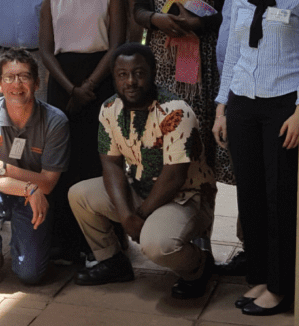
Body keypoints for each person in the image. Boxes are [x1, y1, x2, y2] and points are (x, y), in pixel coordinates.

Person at [68, 44, 216, 299]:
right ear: (114, 78)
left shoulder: (176, 110)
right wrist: (127, 216)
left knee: (156, 244)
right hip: (139, 187)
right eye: (122, 75)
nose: (131, 82)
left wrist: (140, 216)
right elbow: (111, 164)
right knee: (79, 194)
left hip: (185, 196)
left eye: (139, 73)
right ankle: (112, 261)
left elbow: (174, 176)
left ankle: (198, 266)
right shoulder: (109, 109)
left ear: (153, 72)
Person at [213, 0, 299, 317]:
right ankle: (261, 277)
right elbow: (233, 53)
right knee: (248, 194)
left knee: (279, 195)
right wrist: (221, 107)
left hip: (282, 105)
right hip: (242, 103)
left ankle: (282, 286)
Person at [133, 0, 229, 209]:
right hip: (161, 64)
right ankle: (161, 214)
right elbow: (140, 9)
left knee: (198, 145)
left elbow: (230, 10)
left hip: (203, 66)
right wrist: (157, 19)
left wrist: (200, 24)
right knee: (163, 139)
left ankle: (200, 226)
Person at [39, 0, 125, 263]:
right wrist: (72, 89)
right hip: (62, 81)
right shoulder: (52, 0)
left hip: (101, 79)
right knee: (63, 158)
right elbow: (46, 51)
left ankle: (100, 240)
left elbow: (116, 46)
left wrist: (88, 86)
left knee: (96, 156)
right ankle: (64, 240)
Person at [0, 48, 69, 286]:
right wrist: (28, 188)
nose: (17, 83)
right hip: (6, 192)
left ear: (36, 83)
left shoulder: (55, 121)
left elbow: (47, 183)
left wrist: (2, 167)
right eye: (9, 77)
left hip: (35, 198)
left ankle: (23, 245)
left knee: (30, 275)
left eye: (24, 76)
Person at [212, 0, 258, 277]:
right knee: (244, 174)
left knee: (255, 176)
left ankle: (257, 252)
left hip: (259, 94)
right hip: (233, 89)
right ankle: (249, 248)